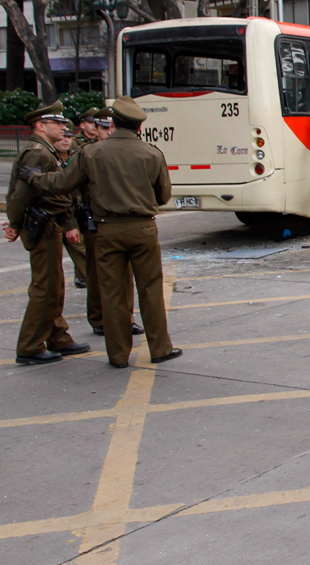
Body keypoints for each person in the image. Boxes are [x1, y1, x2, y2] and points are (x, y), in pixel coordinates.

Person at [21, 96, 180, 369]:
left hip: (107, 229)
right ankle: (161, 348)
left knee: (112, 293)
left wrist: (34, 177)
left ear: (112, 124)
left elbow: (62, 184)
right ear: (138, 128)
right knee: (151, 289)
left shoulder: (91, 153)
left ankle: (118, 355)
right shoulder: (152, 153)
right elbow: (164, 195)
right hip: (143, 228)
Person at [1, 101, 90, 365]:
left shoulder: (45, 151)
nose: (64, 128)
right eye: (58, 124)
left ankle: (58, 337)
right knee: (46, 288)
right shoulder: (38, 153)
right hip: (44, 225)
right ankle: (30, 345)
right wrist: (15, 223)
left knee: (55, 286)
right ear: (41, 126)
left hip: (53, 222)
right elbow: (20, 194)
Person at [81, 107, 144, 338]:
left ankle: (125, 317)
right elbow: (73, 189)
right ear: (95, 129)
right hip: (94, 218)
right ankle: (99, 318)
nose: (108, 132)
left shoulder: (121, 151)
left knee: (125, 275)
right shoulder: (88, 152)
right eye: (104, 128)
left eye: (111, 127)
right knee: (97, 273)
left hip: (117, 221)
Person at [55, 122, 88, 288]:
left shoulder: (73, 157)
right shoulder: (47, 158)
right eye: (62, 137)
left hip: (73, 215)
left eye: (69, 137)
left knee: (83, 253)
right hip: (56, 218)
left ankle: (84, 278)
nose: (66, 140)